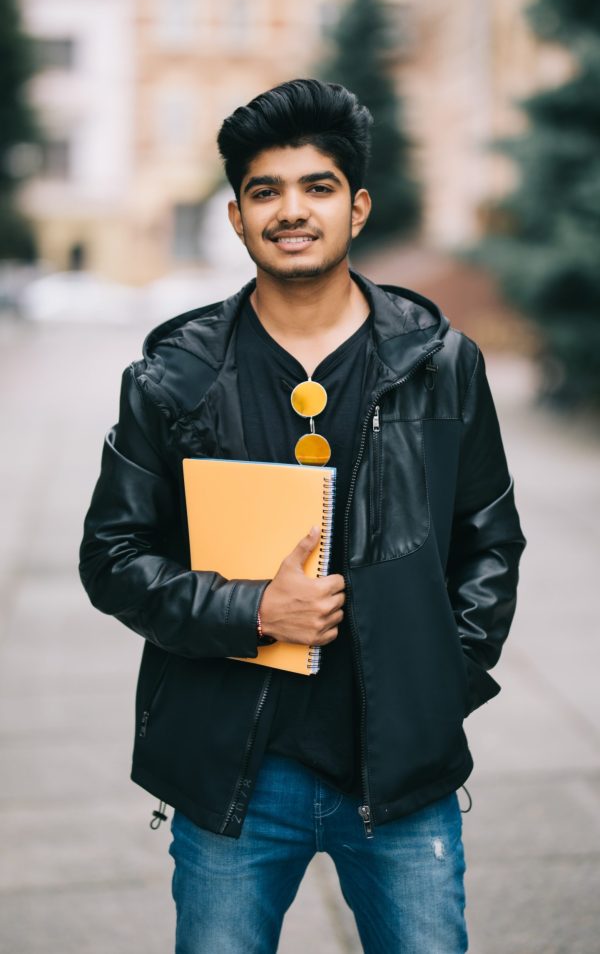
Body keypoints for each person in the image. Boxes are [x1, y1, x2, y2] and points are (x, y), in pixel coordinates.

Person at [79, 78, 526, 953]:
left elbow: (489, 540)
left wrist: (443, 684)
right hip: (234, 774)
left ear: (357, 207)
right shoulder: (173, 377)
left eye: (317, 187)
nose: (292, 210)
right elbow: (112, 555)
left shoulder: (440, 363)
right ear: (238, 217)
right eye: (265, 191)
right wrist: (252, 611)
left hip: (399, 770)